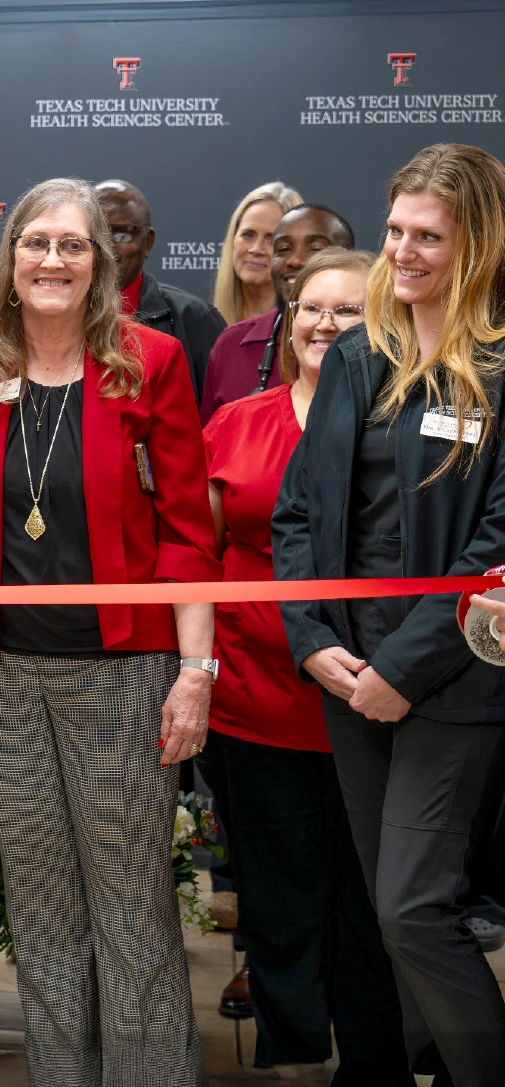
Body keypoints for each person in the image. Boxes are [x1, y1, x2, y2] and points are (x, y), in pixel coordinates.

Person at [0, 178, 220, 1086]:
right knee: (41, 901)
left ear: (100, 261)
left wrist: (195, 669)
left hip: (123, 672)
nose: (51, 260)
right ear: (9, 259)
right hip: (1, 673)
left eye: (71, 245)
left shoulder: (151, 361)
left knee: (132, 904)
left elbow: (188, 527)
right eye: (34, 243)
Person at [273, 143, 505, 1086]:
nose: (401, 252)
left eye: (428, 237)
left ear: (478, 245)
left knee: (416, 909)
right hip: (347, 670)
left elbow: (494, 545)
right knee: (391, 908)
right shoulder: (360, 352)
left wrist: (401, 670)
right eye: (396, 231)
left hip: (449, 674)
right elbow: (299, 513)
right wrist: (315, 643)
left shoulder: (496, 363)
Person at [204, 248, 412, 1082]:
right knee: (278, 887)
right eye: (311, 310)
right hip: (256, 695)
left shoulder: (408, 417)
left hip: (377, 691)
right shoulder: (237, 420)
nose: (325, 325)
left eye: (348, 311)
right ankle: (292, 1050)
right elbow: (202, 548)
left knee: (373, 898)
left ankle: (376, 1056)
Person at [201, 203, 355, 422]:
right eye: (283, 249)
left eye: (315, 249)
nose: (295, 260)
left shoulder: (376, 348)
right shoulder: (232, 345)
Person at [94, 179, 226, 403]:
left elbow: (223, 422)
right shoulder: (56, 317)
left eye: (122, 234)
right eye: (96, 233)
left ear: (148, 242)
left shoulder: (197, 320)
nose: (107, 245)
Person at [212, 181, 301, 327]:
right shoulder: (204, 326)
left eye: (271, 239)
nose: (256, 249)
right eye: (248, 235)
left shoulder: (308, 335)